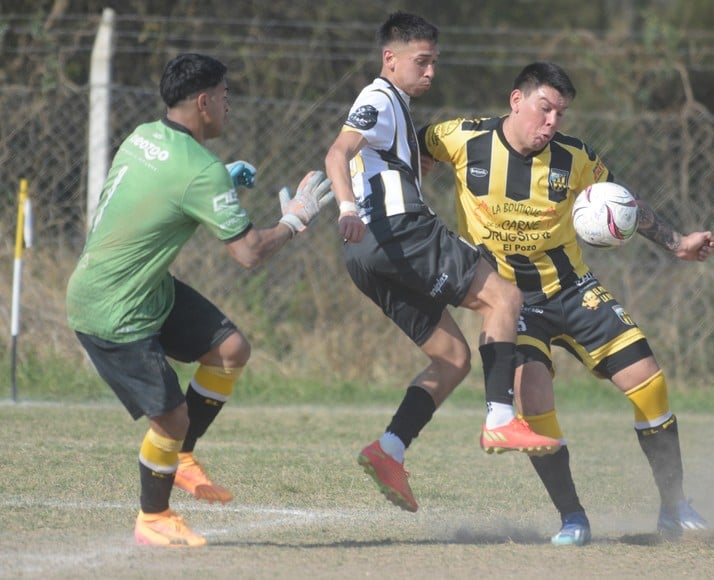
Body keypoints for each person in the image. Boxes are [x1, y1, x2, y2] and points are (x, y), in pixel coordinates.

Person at [418, 61, 714, 544]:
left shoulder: (575, 157)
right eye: (545, 108)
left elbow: (625, 203)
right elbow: (410, 140)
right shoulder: (461, 138)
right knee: (533, 399)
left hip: (574, 289)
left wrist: (677, 242)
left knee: (649, 382)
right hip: (508, 302)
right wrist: (415, 160)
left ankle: (674, 505)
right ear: (517, 100)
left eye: (561, 112)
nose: (552, 121)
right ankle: (573, 518)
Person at [66, 53, 333, 547]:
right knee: (170, 417)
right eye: (226, 95)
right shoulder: (199, 170)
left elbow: (153, 191)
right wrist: (295, 220)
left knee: (230, 350)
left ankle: (182, 456)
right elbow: (250, 253)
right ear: (205, 101)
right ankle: (154, 517)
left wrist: (220, 180)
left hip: (143, 289)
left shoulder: (144, 135)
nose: (231, 105)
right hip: (112, 307)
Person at [324, 13, 560, 514]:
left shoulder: (396, 111)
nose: (430, 72)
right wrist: (345, 207)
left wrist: (403, 166)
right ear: (391, 59)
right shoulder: (380, 98)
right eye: (421, 61)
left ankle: (389, 450)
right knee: (505, 297)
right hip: (400, 232)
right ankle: (500, 416)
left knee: (452, 358)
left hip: (364, 256)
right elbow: (337, 153)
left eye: (434, 62)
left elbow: (361, 159)